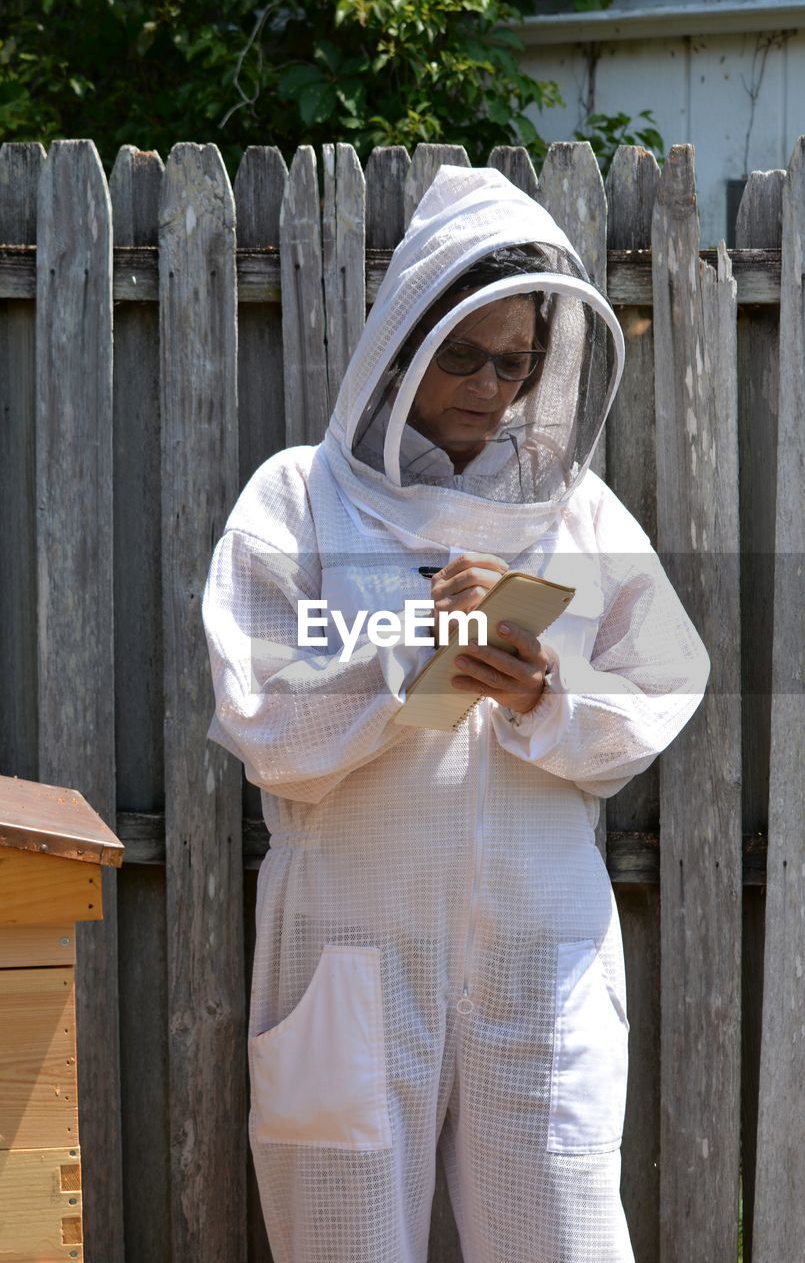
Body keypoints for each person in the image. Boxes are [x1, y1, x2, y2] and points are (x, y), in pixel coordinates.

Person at [203, 166, 710, 1263]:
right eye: (462, 354)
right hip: (351, 950)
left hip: (542, 953)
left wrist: (546, 688)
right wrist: (402, 658)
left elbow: (667, 678)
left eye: (514, 363)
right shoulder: (297, 498)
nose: (488, 386)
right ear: (404, 341)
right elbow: (258, 713)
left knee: (561, 1239)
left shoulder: (575, 510)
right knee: (343, 1238)